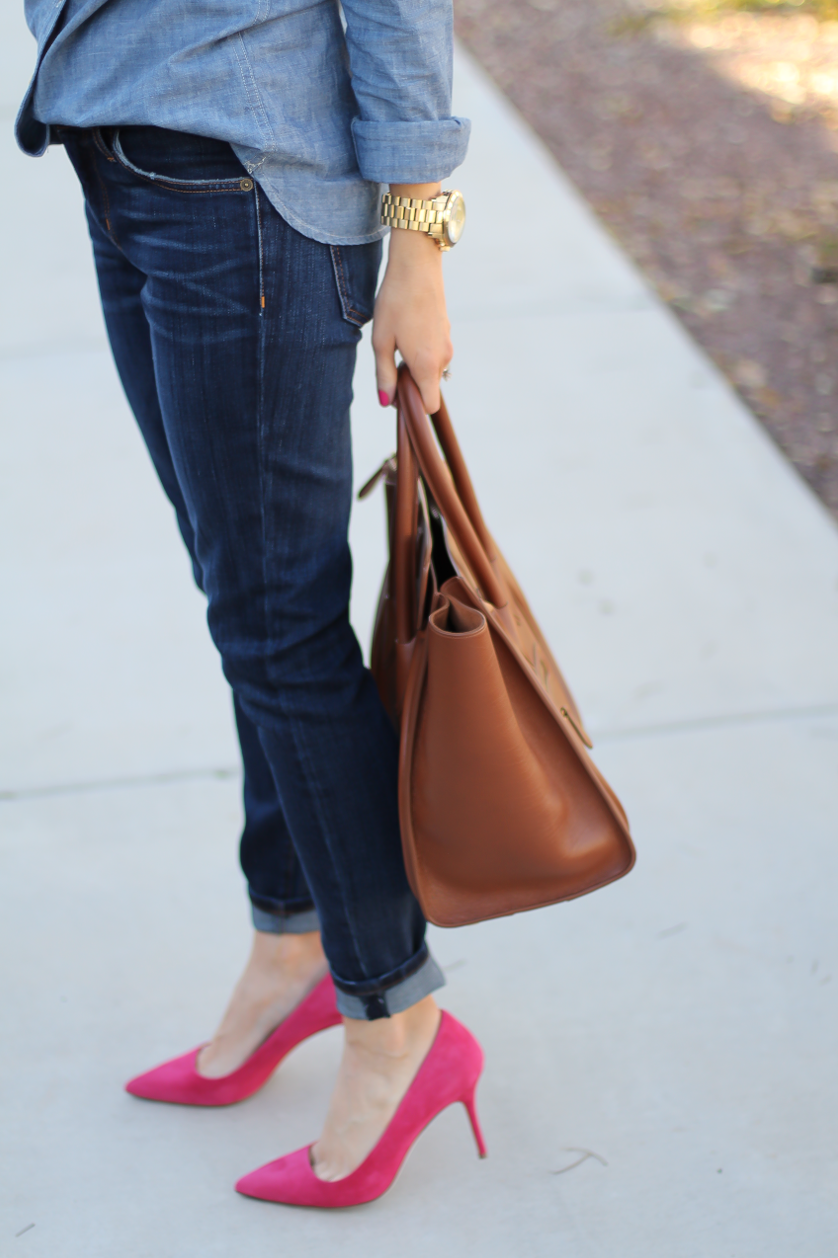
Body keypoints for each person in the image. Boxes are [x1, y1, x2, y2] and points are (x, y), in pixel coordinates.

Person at [16, 0, 485, 1208]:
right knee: (244, 595)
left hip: (246, 197)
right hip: (123, 166)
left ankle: (396, 1014)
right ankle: (289, 938)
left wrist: (418, 242)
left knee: (276, 620)